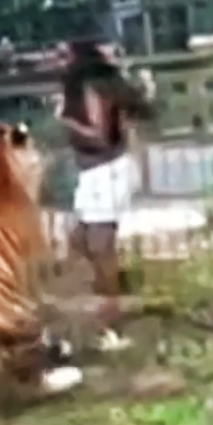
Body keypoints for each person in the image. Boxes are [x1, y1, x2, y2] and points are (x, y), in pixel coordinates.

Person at [54, 38, 154, 326]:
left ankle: (111, 310)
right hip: (95, 173)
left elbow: (99, 135)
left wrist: (65, 120)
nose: (57, 62)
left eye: (63, 55)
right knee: (79, 239)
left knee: (100, 244)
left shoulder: (92, 87)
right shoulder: (94, 85)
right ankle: (114, 286)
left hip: (107, 170)